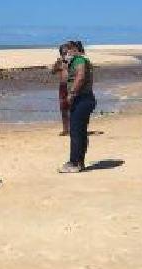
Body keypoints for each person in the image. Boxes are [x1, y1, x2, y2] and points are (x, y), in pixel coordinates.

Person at [58, 40, 96, 173]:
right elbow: (64, 77)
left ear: (74, 49)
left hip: (82, 99)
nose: (66, 53)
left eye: (68, 50)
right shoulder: (75, 62)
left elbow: (80, 77)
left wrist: (71, 94)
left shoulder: (79, 60)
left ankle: (74, 162)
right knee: (81, 131)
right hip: (85, 99)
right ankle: (79, 161)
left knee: (76, 131)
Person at [51, 44, 70, 136]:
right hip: (62, 85)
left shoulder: (71, 60)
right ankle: (65, 129)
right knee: (63, 108)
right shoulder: (59, 61)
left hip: (70, 85)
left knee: (72, 107)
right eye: (64, 50)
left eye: (66, 50)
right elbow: (53, 72)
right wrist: (57, 66)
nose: (65, 52)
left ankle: (72, 128)